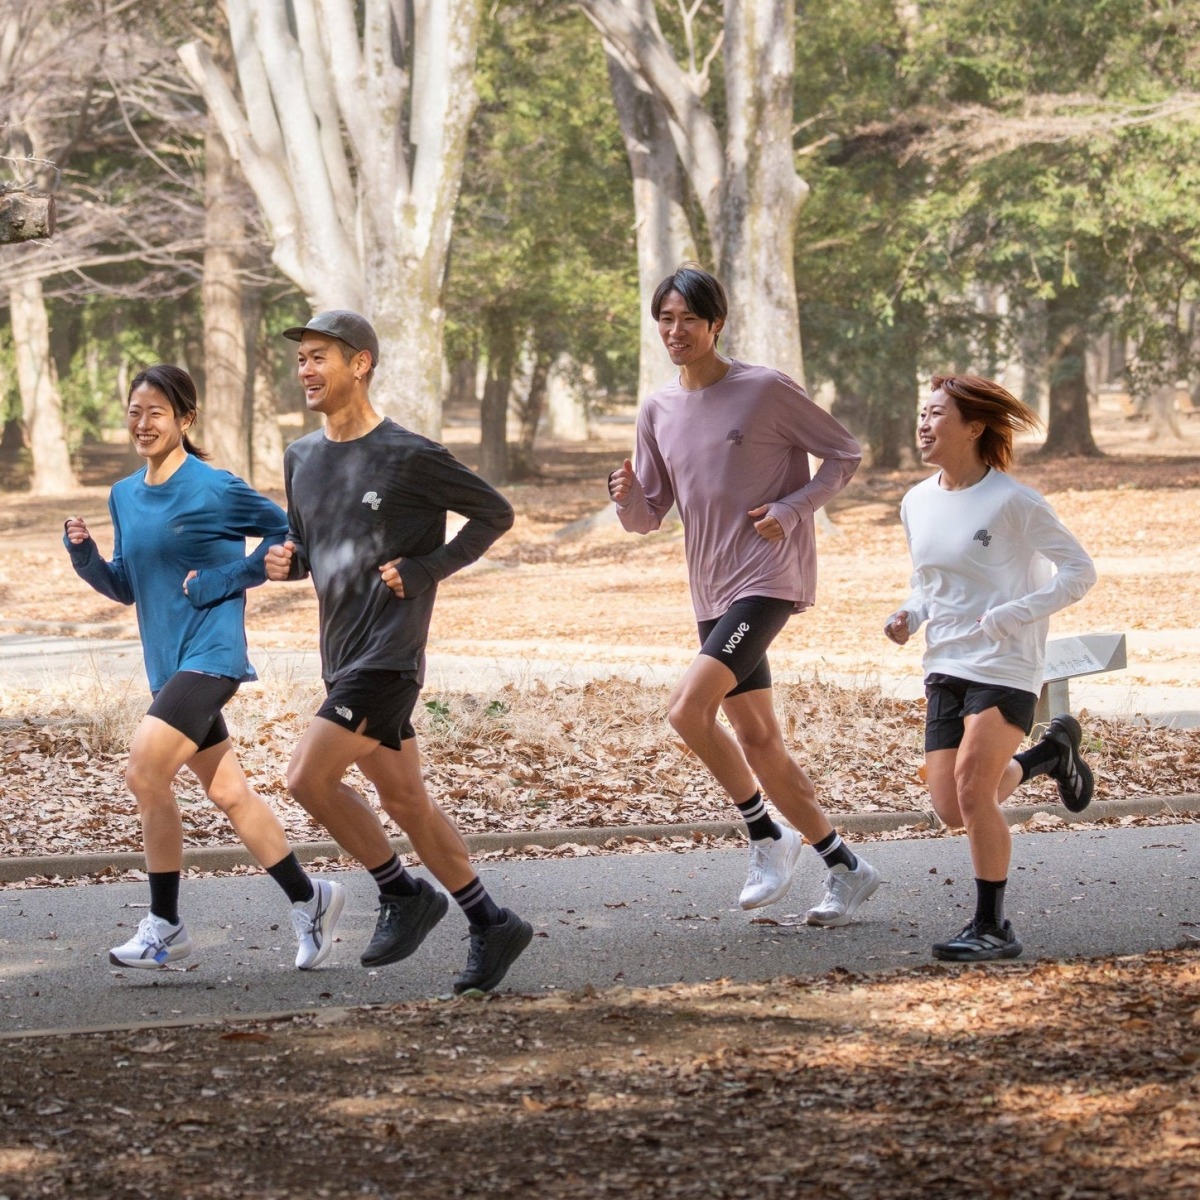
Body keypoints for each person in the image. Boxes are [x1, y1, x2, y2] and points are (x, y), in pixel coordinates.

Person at [266, 309, 532, 995]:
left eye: (320, 357)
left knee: (307, 778)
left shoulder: (411, 456)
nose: (306, 370)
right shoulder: (300, 457)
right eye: (301, 360)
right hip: (342, 653)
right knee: (408, 800)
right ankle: (491, 921)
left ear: (360, 364)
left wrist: (426, 568)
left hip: (388, 655)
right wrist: (287, 561)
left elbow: (495, 513)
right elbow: (310, 544)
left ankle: (402, 893)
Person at [608, 265, 882, 926]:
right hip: (709, 591)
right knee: (758, 739)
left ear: (715, 324)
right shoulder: (658, 409)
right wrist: (625, 500)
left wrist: (792, 509)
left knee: (685, 710)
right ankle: (847, 867)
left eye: (689, 320)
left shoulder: (763, 390)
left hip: (767, 578)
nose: (676, 331)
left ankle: (766, 833)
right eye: (666, 320)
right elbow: (650, 516)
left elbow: (845, 453)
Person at [64, 364, 344, 972]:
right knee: (229, 793)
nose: (143, 423)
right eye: (135, 412)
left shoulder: (216, 488)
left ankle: (165, 926)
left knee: (143, 772)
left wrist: (231, 577)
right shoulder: (123, 494)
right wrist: (83, 556)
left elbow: (290, 541)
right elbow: (125, 586)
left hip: (212, 656)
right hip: (167, 666)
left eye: (156, 412)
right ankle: (311, 896)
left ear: (185, 420)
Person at [884, 374, 1097, 963]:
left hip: (1006, 662)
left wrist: (1011, 615)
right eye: (921, 414)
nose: (924, 424)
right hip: (945, 662)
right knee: (953, 808)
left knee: (976, 790)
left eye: (935, 414)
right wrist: (909, 614)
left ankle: (992, 926)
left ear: (974, 425)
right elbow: (930, 584)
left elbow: (1079, 573)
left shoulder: (1014, 501)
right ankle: (1048, 758)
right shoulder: (916, 500)